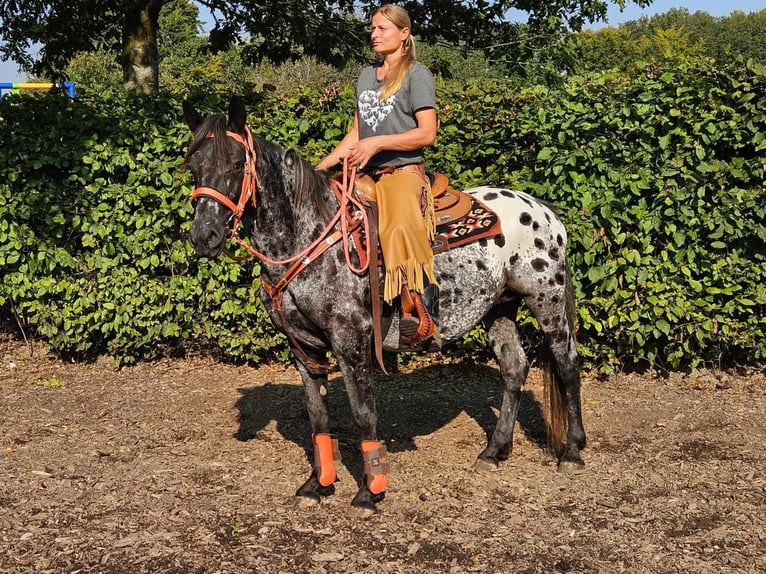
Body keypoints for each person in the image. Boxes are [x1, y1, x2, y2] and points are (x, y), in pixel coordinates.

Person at [316, 3, 440, 349]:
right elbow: (357, 132)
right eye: (372, 28)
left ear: (404, 34)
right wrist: (321, 167)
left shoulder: (418, 75)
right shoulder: (365, 76)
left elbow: (427, 133)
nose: (374, 34)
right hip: (366, 174)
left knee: (397, 226)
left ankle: (418, 311)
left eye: (382, 28)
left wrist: (379, 143)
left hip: (403, 172)